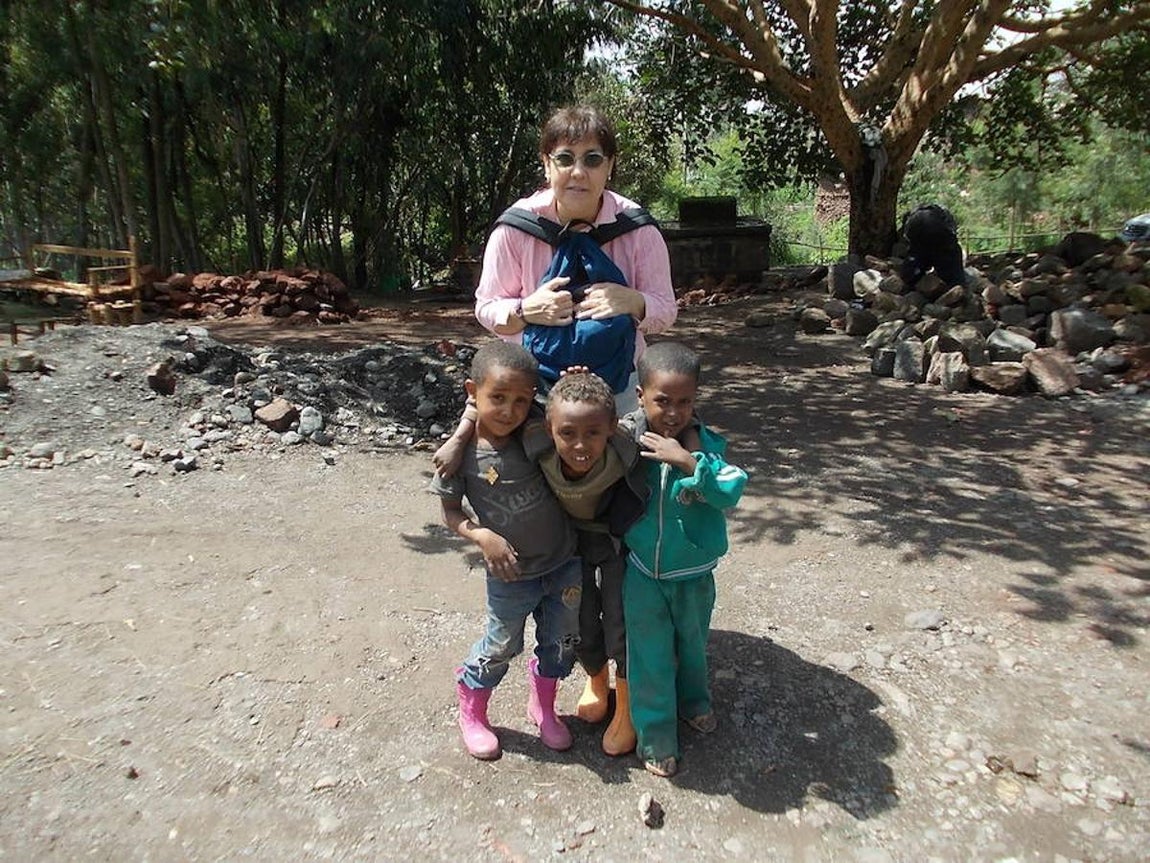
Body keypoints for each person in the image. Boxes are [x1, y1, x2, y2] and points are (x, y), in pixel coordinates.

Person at [470, 103, 678, 417]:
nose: (578, 172)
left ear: (610, 166)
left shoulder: (639, 230)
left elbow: (666, 308)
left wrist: (633, 301)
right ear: (546, 164)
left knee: (619, 464)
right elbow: (486, 307)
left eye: (592, 160)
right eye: (565, 159)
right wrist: (526, 309)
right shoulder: (514, 229)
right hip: (531, 388)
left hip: (619, 388)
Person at [429, 341, 582, 761]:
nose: (510, 410)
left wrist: (574, 383)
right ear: (472, 392)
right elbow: (450, 512)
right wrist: (482, 537)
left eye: (520, 399)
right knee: (501, 644)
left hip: (563, 562)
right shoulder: (457, 457)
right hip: (511, 573)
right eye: (497, 398)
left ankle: (544, 707)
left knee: (560, 641)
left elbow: (572, 410)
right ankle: (472, 709)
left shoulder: (535, 425)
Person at [620, 342, 748, 778]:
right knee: (649, 654)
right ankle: (655, 736)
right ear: (640, 396)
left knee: (692, 644)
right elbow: (578, 433)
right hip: (642, 573)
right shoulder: (624, 438)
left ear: (696, 401)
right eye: (662, 401)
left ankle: (695, 702)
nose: (673, 413)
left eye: (684, 402)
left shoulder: (706, 446)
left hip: (693, 574)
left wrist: (689, 461)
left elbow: (731, 489)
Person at [520, 371, 647, 756]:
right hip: (568, 545)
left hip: (613, 542)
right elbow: (493, 401)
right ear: (549, 428)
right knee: (578, 617)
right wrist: (458, 439)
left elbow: (664, 403)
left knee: (620, 615)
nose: (580, 445)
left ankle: (625, 703)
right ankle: (596, 677)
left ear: (611, 427)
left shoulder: (624, 444)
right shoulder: (536, 443)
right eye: (568, 433)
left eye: (593, 432)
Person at [898, 203, 967, 288]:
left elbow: (908, 240)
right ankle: (956, 286)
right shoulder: (942, 214)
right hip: (941, 238)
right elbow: (952, 235)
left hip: (918, 236)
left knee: (913, 268)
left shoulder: (913, 216)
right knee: (954, 277)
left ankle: (910, 282)